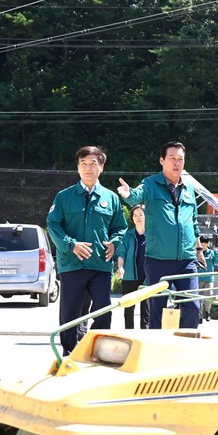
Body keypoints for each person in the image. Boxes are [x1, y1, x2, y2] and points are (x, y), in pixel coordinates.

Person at [47, 146, 127, 355]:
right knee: (70, 313)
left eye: (93, 163)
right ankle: (69, 353)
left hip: (100, 265)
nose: (88, 168)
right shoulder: (64, 197)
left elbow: (120, 227)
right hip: (72, 264)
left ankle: (94, 351)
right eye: (83, 164)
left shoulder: (111, 198)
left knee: (103, 311)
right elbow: (53, 225)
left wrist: (114, 243)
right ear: (77, 167)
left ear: (102, 167)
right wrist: (71, 244)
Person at [117, 141, 205, 329]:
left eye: (180, 159)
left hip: (186, 260)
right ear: (162, 160)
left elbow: (193, 222)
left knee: (192, 307)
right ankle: (156, 345)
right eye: (172, 158)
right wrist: (128, 194)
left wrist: (199, 250)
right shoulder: (151, 184)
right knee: (157, 310)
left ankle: (184, 343)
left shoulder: (189, 188)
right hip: (158, 260)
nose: (177, 163)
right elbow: (136, 195)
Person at [116, 204, 150, 329]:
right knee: (128, 309)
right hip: (130, 277)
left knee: (146, 310)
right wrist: (120, 267)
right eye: (135, 215)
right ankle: (129, 333)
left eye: (141, 214)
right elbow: (121, 253)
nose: (138, 217)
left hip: (147, 278)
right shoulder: (128, 235)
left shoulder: (152, 235)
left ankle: (145, 334)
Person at [198, 235, 218, 321]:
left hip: (209, 279)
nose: (203, 246)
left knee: (209, 296)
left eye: (205, 244)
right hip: (198, 279)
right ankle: (199, 315)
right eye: (202, 244)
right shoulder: (197, 253)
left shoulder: (211, 252)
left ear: (208, 244)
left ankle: (207, 312)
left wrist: (216, 251)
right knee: (198, 298)